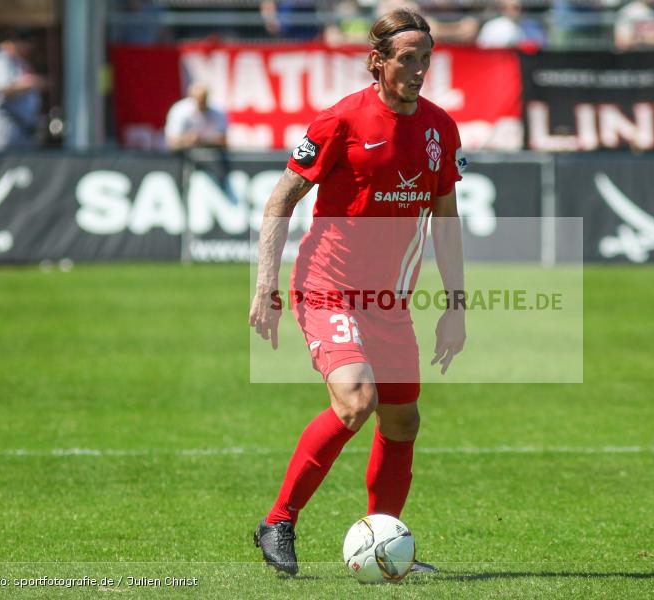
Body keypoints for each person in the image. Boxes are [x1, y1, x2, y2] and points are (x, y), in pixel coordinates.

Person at [248, 7, 466, 577]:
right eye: (408, 59)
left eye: (426, 59)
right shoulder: (341, 121)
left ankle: (384, 544)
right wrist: (265, 284)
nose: (420, 70)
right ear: (377, 61)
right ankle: (278, 521)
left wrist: (456, 306)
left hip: (388, 301)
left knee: (402, 421)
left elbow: (446, 221)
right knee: (356, 400)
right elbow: (280, 200)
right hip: (329, 287)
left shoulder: (440, 128)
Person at [0, 28, 47, 152]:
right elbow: (2, 88)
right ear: (16, 42)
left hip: (21, 131)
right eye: (27, 44)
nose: (29, 49)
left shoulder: (18, 61)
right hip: (4, 130)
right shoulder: (0, 59)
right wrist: (31, 82)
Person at [164, 82, 227, 151]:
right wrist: (188, 139)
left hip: (211, 153)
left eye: (203, 98)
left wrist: (203, 139)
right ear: (191, 97)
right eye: (198, 98)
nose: (201, 101)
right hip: (183, 154)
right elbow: (172, 141)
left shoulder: (217, 111)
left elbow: (223, 140)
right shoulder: (179, 111)